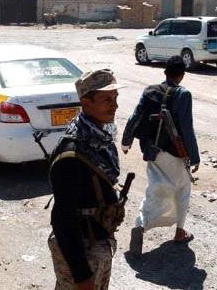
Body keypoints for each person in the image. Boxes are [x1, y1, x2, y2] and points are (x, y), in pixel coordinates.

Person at [48, 69, 126, 290]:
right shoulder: (71, 154)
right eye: (106, 99)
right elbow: (63, 219)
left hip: (99, 243)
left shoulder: (100, 140)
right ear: (86, 102)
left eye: (115, 98)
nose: (115, 105)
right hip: (82, 251)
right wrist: (81, 275)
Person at [121, 55, 200, 257]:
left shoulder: (149, 90)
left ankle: (140, 225)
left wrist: (126, 141)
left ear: (165, 72)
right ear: (182, 75)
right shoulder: (183, 94)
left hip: (152, 151)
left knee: (154, 189)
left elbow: (134, 117)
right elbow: (187, 128)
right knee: (182, 190)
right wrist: (195, 157)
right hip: (175, 153)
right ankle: (180, 232)